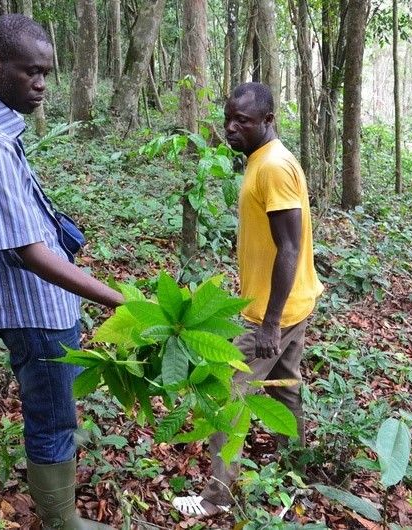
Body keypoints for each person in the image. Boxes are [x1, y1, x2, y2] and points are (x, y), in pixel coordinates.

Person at [0, 14, 123, 530]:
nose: (41, 84)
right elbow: (30, 254)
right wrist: (121, 301)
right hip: (33, 307)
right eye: (30, 72)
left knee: (53, 407)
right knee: (51, 419)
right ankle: (64, 523)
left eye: (46, 73)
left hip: (31, 303)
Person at [172, 82, 324, 518]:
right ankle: (297, 471)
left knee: (227, 392)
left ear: (268, 121)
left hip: (273, 311)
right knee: (286, 388)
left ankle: (216, 498)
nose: (231, 129)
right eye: (228, 119)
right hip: (292, 302)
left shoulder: (273, 166)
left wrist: (270, 323)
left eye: (243, 121)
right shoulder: (262, 161)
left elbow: (290, 247)